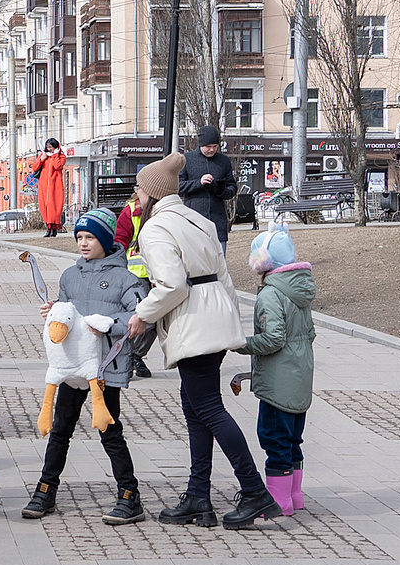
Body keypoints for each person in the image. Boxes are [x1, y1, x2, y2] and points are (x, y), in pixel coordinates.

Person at [125, 153, 276, 529]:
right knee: (197, 411)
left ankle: (255, 491)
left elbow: (172, 284)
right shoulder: (199, 219)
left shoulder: (155, 229)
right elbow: (224, 279)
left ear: (153, 194)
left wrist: (142, 315)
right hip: (214, 320)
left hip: (193, 323)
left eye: (139, 190)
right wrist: (232, 328)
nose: (135, 196)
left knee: (208, 410)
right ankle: (197, 496)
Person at [20, 212, 147, 526]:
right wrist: (55, 313)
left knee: (109, 430)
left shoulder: (125, 278)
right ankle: (45, 491)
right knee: (61, 429)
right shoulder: (69, 276)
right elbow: (66, 316)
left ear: (104, 240)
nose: (83, 243)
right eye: (79, 237)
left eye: (89, 238)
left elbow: (143, 316)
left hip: (105, 368)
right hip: (72, 367)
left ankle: (129, 496)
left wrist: (108, 327)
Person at [232, 224, 316, 515]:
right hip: (299, 376)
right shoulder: (300, 289)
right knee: (293, 440)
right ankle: (295, 495)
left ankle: (279, 500)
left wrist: (241, 343)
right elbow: (310, 333)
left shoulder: (270, 294)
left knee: (273, 438)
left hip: (278, 383)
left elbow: (273, 339)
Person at [179, 125, 237, 244]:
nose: (211, 150)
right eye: (208, 147)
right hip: (194, 221)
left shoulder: (224, 161)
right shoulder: (187, 159)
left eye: (215, 146)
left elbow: (232, 188)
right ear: (200, 145)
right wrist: (198, 183)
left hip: (218, 223)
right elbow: (178, 186)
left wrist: (221, 190)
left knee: (219, 261)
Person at [26, 139, 68, 236]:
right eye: (47, 147)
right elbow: (35, 167)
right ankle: (48, 228)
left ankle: (54, 228)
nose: (49, 149)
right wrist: (41, 159)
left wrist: (55, 155)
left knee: (54, 207)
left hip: (55, 186)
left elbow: (57, 166)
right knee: (44, 206)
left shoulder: (61, 156)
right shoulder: (43, 156)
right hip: (44, 186)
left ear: (56, 147)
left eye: (51, 147)